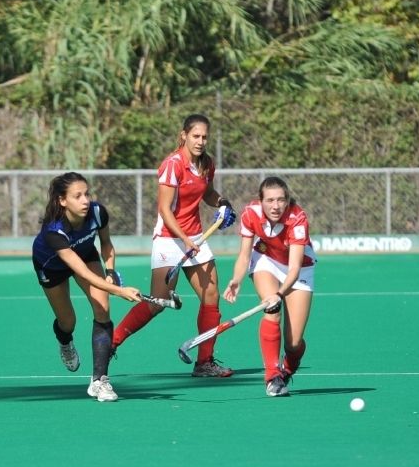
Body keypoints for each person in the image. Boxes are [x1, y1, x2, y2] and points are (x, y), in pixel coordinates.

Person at [112, 114, 237, 377]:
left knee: (211, 296)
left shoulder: (206, 164)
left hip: (195, 238)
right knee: (158, 302)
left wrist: (223, 203)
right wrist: (186, 239)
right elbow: (165, 210)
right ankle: (111, 342)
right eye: (196, 136)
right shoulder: (173, 164)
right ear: (184, 135)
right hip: (170, 239)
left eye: (204, 137)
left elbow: (208, 193)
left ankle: (204, 362)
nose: (201, 141)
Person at [32, 172, 141, 402]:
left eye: (87, 194)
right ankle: (65, 341)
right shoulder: (54, 230)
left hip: (85, 252)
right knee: (67, 321)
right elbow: (81, 272)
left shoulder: (97, 212)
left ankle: (99, 381)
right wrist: (120, 291)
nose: (85, 200)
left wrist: (110, 272)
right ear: (62, 201)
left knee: (102, 308)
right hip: (51, 265)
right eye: (77, 196)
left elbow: (107, 244)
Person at [223, 176, 317, 397]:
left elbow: (294, 267)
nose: (276, 206)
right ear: (261, 200)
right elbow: (245, 255)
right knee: (272, 310)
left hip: (300, 269)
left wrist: (279, 293)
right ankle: (272, 376)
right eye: (270, 200)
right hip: (266, 261)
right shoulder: (250, 214)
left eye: (281, 200)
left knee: (293, 343)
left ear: (287, 201)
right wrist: (236, 279)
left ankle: (287, 369)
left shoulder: (297, 218)